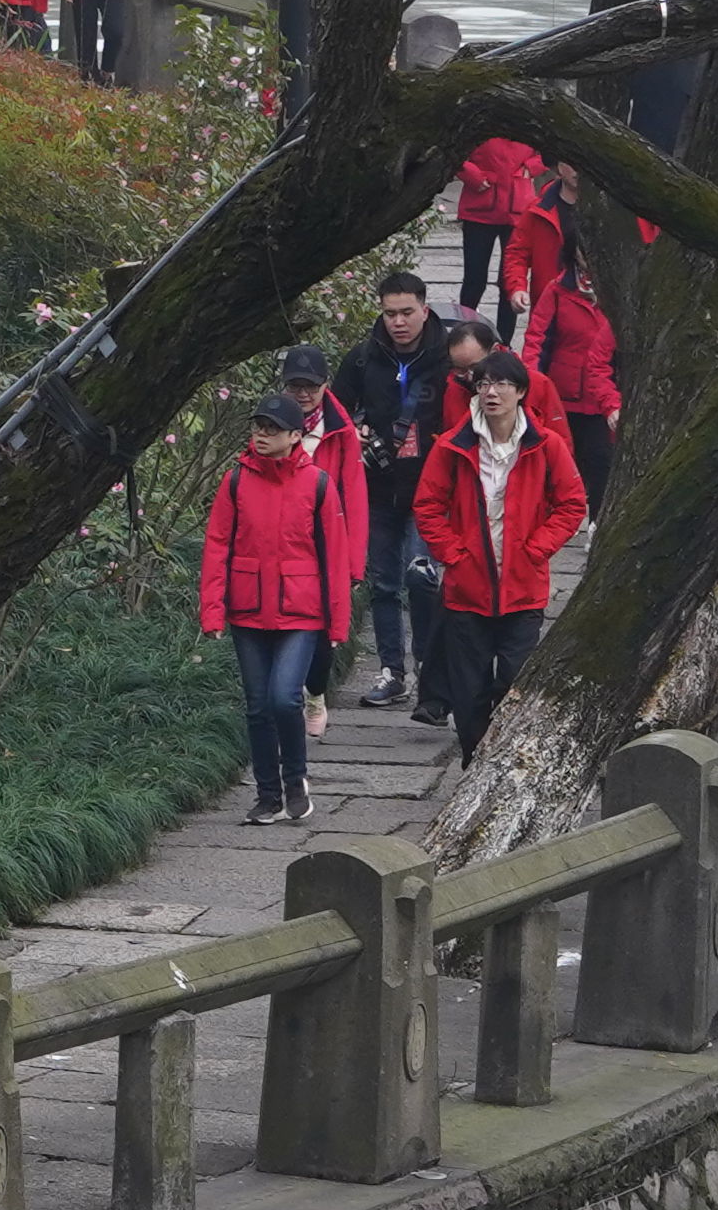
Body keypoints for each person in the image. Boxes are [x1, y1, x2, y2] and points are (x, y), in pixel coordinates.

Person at [413, 351, 589, 753]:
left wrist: (537, 548)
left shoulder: (547, 445)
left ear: (521, 391)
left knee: (515, 680)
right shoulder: (453, 445)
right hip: (467, 589)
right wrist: (453, 553)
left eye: (501, 384)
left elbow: (572, 503)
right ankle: (473, 758)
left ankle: (503, 756)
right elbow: (427, 505)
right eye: (484, 384)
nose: (491, 393)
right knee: (469, 690)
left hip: (523, 587)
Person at [200, 391, 361, 826]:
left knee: (284, 698)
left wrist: (337, 623)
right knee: (257, 706)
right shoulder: (235, 481)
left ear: (296, 435)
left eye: (272, 429)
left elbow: (335, 556)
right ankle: (267, 796)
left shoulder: (318, 484)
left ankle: (295, 781)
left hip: (301, 612)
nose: (262, 435)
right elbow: (217, 546)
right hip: (248, 610)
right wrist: (212, 610)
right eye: (257, 427)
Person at [333, 272, 461, 711]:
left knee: (421, 578)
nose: (398, 322)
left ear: (425, 310)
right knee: (384, 583)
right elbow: (337, 411)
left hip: (430, 489)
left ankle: (428, 664)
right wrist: (357, 434)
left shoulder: (447, 359)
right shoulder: (364, 359)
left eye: (407, 312)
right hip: (376, 486)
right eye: (390, 313)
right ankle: (392, 671)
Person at [518, 207, 626, 506]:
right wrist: (532, 384)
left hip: (603, 397)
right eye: (583, 249)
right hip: (561, 395)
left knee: (601, 463)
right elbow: (536, 340)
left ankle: (596, 524)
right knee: (561, 463)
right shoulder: (557, 290)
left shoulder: (622, 293)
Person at [450, 129, 550, 323]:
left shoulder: (529, 118)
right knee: (474, 279)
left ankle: (506, 343)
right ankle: (464, 331)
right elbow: (451, 151)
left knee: (511, 282)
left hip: (517, 210)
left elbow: (551, 151)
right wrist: (471, 174)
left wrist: (531, 168)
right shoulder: (479, 117)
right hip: (479, 209)